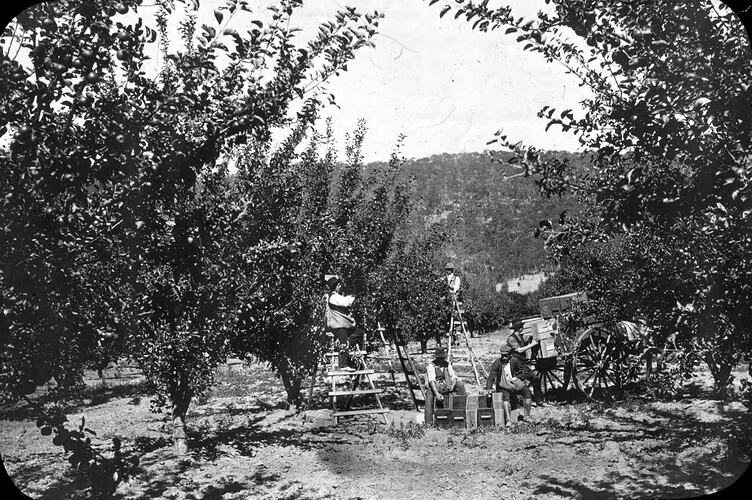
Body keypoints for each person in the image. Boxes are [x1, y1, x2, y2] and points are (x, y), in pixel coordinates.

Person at [485, 344, 535, 425]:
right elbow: (492, 376)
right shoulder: (497, 363)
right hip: (503, 385)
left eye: (506, 356)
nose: (504, 358)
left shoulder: (515, 361)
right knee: (506, 399)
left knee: (527, 393)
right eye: (502, 356)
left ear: (510, 355)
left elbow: (525, 371)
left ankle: (527, 416)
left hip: (515, 383)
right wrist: (488, 388)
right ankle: (508, 420)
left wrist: (517, 377)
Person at [325, 276, 364, 372]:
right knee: (343, 343)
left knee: (359, 333)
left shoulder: (335, 296)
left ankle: (345, 349)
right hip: (338, 326)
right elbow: (346, 302)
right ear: (335, 287)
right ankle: (343, 365)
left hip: (343, 325)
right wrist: (354, 294)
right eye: (338, 285)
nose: (340, 286)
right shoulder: (333, 297)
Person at [506, 318, 543, 404]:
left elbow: (527, 339)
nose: (523, 327)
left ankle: (536, 399)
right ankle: (537, 400)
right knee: (535, 378)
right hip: (515, 363)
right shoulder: (511, 338)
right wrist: (532, 344)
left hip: (522, 362)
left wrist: (535, 338)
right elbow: (519, 350)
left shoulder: (521, 337)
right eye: (521, 326)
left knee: (534, 379)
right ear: (519, 327)